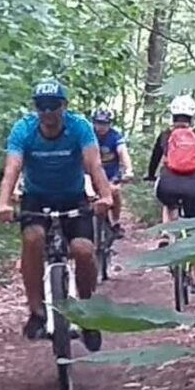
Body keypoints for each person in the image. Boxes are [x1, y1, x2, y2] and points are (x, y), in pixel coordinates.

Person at [0, 78, 119, 349]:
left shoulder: (79, 128)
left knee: (84, 250)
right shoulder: (24, 130)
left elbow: (94, 165)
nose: (48, 112)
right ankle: (37, 311)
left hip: (73, 197)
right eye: (42, 106)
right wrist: (3, 203)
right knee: (33, 239)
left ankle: (85, 311)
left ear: (64, 106)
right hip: (36, 198)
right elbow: (12, 169)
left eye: (53, 106)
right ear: (36, 108)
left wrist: (106, 196)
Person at [148, 95, 195, 273]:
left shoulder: (165, 135)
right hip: (192, 186)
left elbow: (154, 159)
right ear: (192, 116)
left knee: (168, 203)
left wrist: (150, 175)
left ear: (172, 115)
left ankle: (166, 232)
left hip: (167, 183)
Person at [89, 107, 127, 272]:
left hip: (110, 177)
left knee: (115, 192)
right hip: (89, 177)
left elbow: (123, 152)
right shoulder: (88, 135)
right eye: (98, 123)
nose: (101, 126)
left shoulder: (115, 136)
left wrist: (128, 169)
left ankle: (115, 222)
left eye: (104, 123)